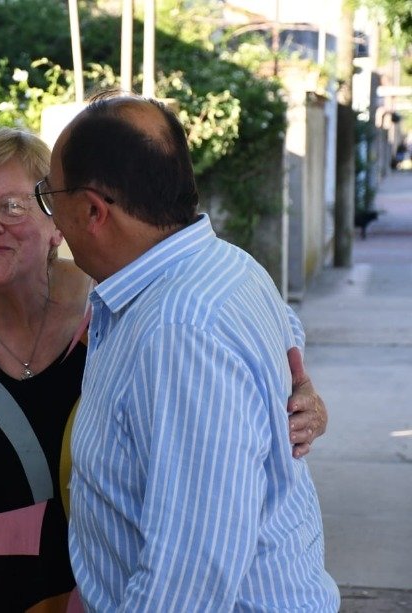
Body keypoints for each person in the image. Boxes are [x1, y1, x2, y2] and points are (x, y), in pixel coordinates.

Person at [0, 128, 328, 612]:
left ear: (58, 221)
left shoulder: (113, 304)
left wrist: (301, 391)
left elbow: (250, 326)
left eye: (12, 206)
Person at [41, 91, 341, 610]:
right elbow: (283, 331)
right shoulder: (221, 266)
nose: (54, 221)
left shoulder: (180, 332)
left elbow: (188, 580)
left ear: (92, 210)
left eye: (51, 197)